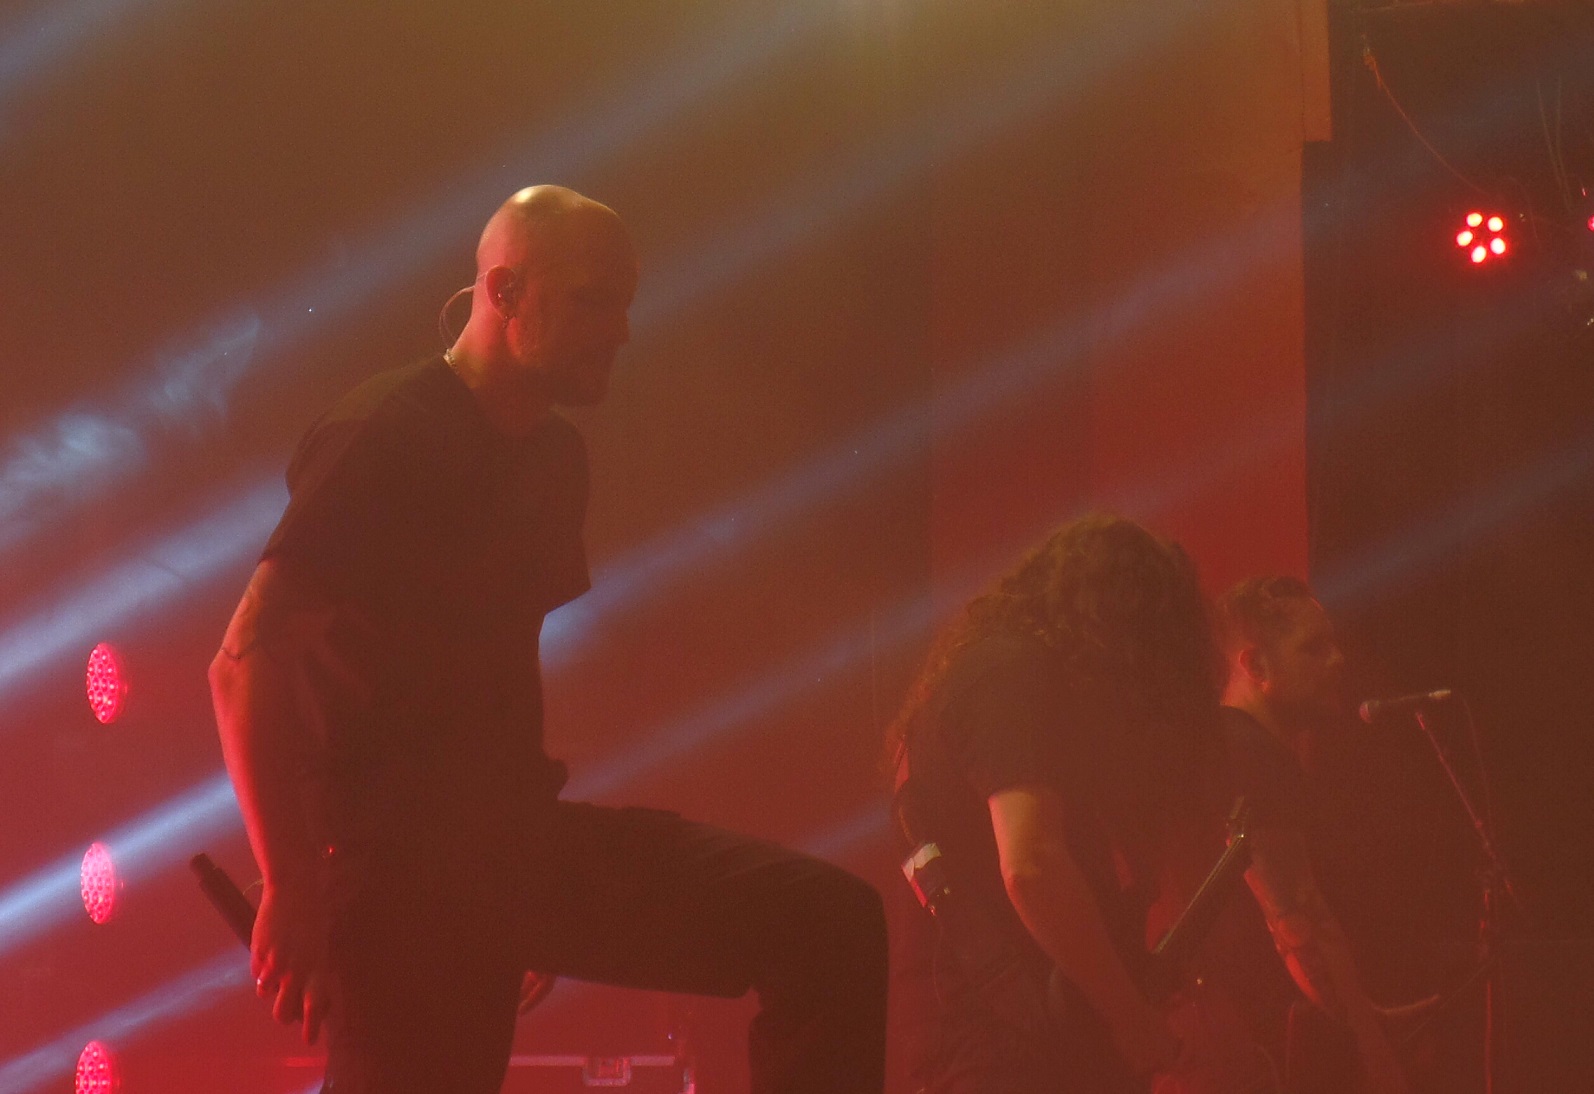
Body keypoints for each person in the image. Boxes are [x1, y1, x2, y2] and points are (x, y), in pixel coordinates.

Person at [209, 185, 888, 1094]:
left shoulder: (553, 458)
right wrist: (292, 883)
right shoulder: (385, 434)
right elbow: (242, 663)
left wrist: (522, 897)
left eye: (627, 304)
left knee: (828, 924)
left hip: (508, 854)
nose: (622, 331)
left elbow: (501, 663)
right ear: (505, 291)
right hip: (402, 882)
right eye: (596, 301)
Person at [888, 515, 1223, 1092]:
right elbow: (1032, 865)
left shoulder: (1002, 677)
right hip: (1011, 1051)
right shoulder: (1008, 674)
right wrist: (1131, 1021)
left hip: (1016, 1041)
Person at [1208, 575, 1413, 1094]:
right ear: (1256, 666)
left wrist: (1363, 1010)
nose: (1337, 660)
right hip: (1263, 1053)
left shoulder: (1232, 749)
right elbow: (1298, 923)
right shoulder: (1254, 758)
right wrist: (1374, 1055)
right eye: (1314, 649)